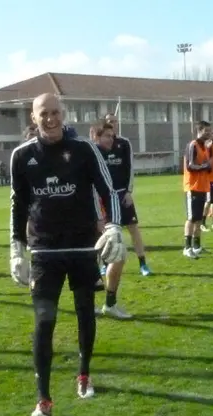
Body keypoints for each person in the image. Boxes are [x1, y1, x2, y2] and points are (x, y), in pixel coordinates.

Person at [9, 93, 126, 416]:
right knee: (44, 321)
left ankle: (84, 374)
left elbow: (108, 189)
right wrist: (16, 248)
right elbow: (18, 206)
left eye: (56, 112)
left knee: (85, 312)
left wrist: (114, 228)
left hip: (82, 248)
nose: (51, 118)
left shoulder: (84, 150)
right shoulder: (23, 157)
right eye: (44, 113)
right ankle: (43, 399)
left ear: (64, 114)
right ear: (34, 118)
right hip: (44, 251)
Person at [90, 121, 132, 319]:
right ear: (96, 137)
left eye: (112, 136)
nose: (111, 139)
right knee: (89, 262)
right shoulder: (90, 156)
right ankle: (91, 305)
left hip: (108, 216)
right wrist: (98, 218)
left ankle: (109, 303)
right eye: (107, 135)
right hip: (93, 217)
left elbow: (111, 190)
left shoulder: (111, 155)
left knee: (118, 254)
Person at [102, 113, 152, 276]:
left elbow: (130, 168)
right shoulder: (98, 145)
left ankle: (143, 264)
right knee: (104, 231)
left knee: (133, 228)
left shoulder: (124, 143)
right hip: (106, 197)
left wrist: (129, 191)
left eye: (115, 121)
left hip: (123, 194)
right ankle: (104, 263)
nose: (113, 124)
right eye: (110, 122)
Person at [182, 121, 213, 259]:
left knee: (199, 219)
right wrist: (206, 166)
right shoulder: (192, 145)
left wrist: (209, 166)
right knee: (191, 218)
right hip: (192, 187)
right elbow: (190, 166)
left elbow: (207, 168)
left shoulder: (205, 148)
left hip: (202, 186)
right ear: (199, 131)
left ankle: (197, 246)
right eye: (206, 131)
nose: (208, 133)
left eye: (209, 131)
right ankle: (187, 247)